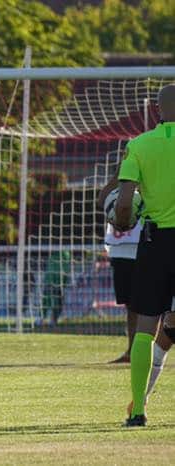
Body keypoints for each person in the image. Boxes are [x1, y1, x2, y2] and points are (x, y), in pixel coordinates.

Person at [115, 84, 175, 427]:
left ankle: (138, 410)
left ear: (157, 108)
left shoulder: (139, 145)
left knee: (145, 329)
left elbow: (124, 204)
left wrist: (124, 218)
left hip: (156, 244)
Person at [97, 163, 145, 362]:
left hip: (145, 247)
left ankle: (150, 352)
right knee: (131, 304)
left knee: (151, 304)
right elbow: (102, 199)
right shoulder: (120, 178)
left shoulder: (151, 177)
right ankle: (132, 351)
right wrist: (120, 172)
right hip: (121, 249)